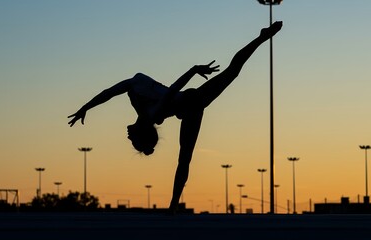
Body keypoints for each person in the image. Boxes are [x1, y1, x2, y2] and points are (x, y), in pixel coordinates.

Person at [68, 21, 283, 213]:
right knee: (185, 156)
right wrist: (193, 70)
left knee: (232, 72)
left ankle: (262, 37)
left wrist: (86, 106)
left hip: (190, 101)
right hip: (191, 105)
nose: (127, 136)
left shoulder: (142, 105)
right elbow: (167, 91)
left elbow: (110, 93)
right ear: (141, 133)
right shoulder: (149, 112)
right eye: (132, 139)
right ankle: (173, 204)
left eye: (131, 140)